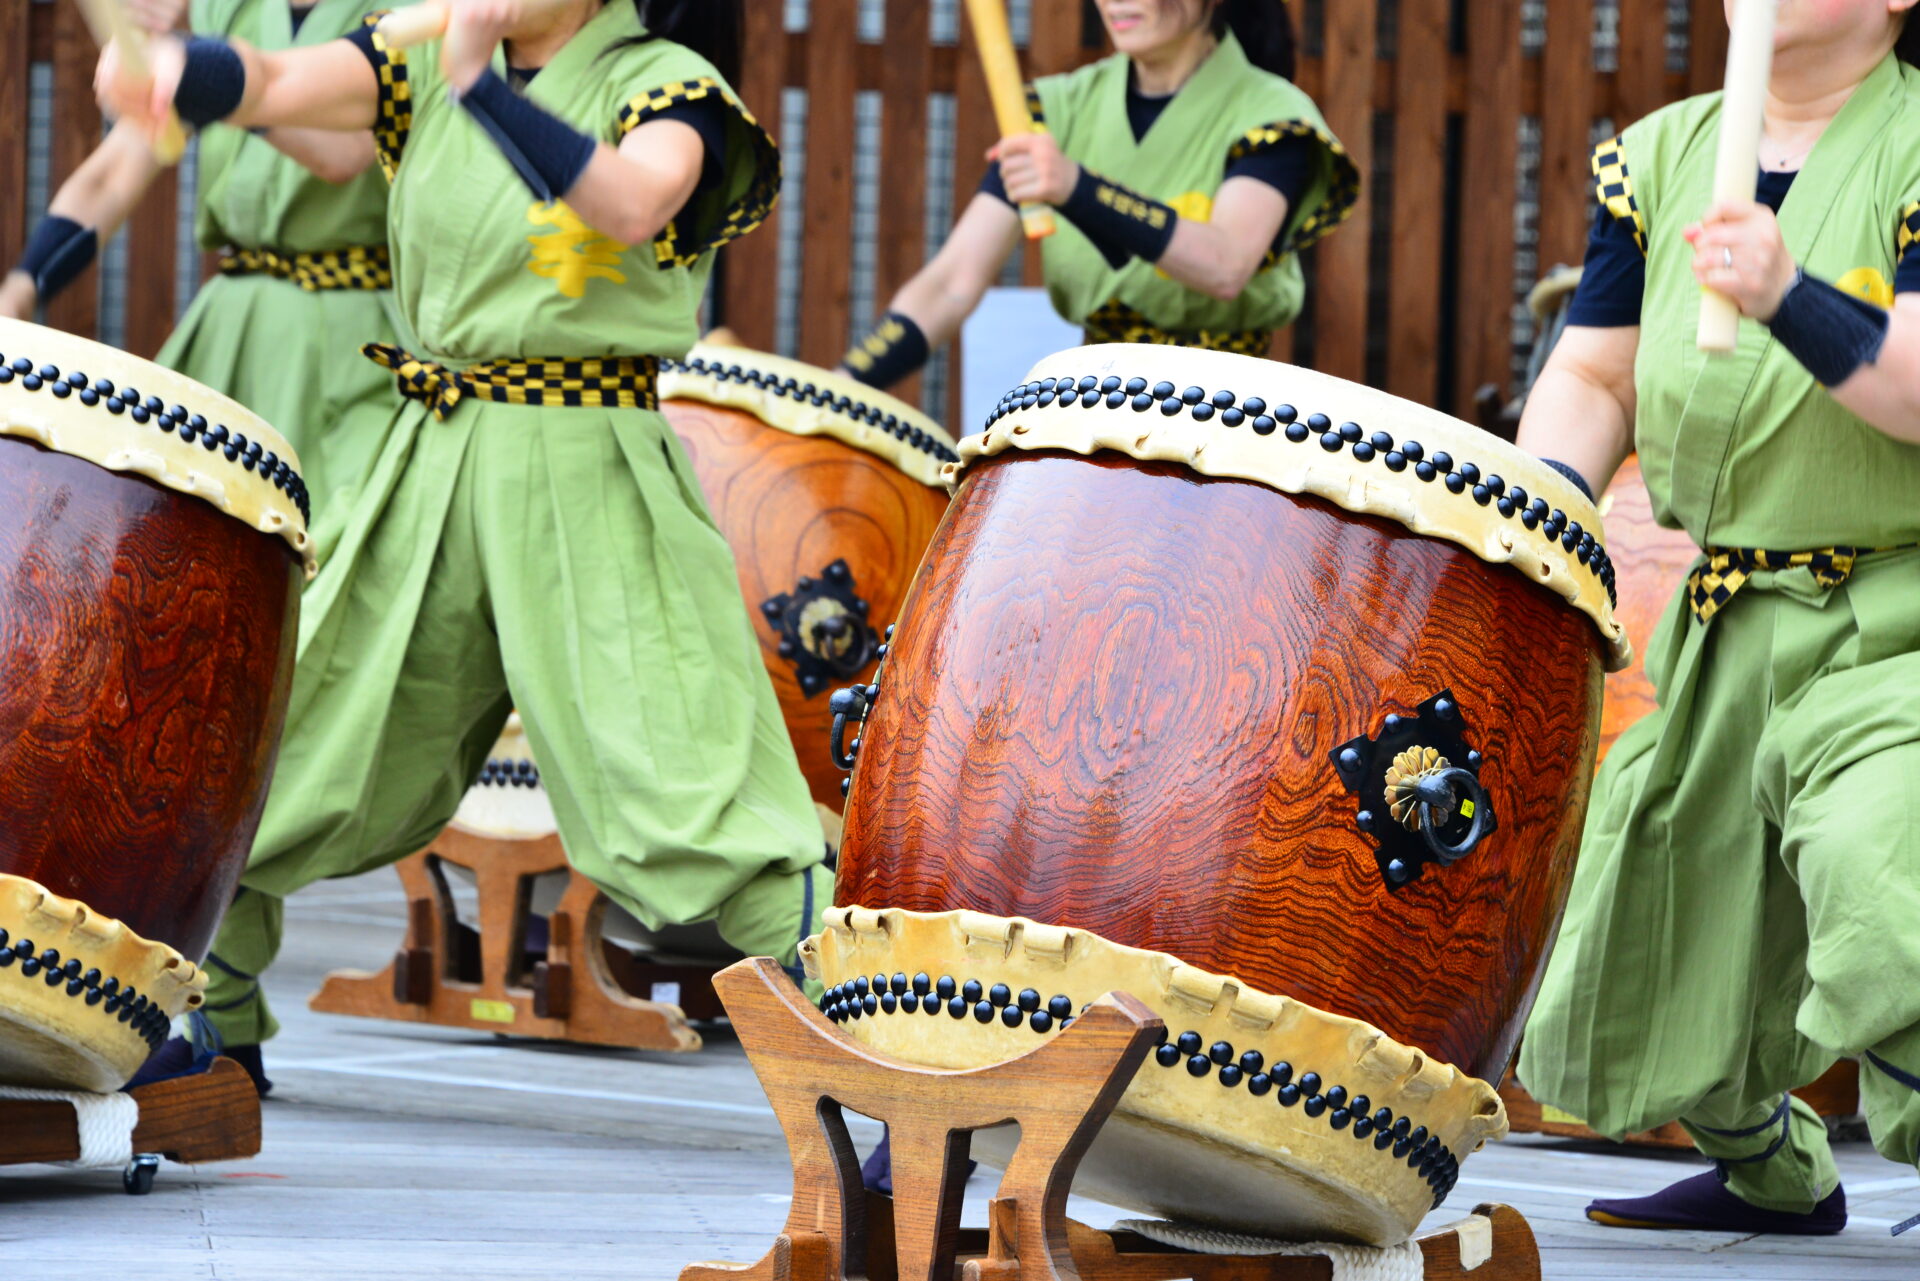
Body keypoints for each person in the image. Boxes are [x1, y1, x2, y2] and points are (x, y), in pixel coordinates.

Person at [97, 0, 829, 1094]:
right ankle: (212, 1035)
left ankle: (897, 1070)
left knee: (697, 803)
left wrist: (480, 86)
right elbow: (272, 82)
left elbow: (634, 202)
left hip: (589, 465)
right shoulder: (408, 68)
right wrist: (173, 71)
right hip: (432, 456)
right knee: (277, 745)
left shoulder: (669, 83)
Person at [1515, 0, 1920, 1237]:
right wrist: (1528, 513)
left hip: (1893, 619)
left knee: (1881, 881)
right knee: (1651, 933)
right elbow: (1595, 371)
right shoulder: (1659, 155)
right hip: (1728, 614)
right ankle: (1774, 1171)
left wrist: (1789, 289)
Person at [4, 0, 400, 569]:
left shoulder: (409, 16)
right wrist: (19, 289)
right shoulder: (231, 12)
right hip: (231, 339)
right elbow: (113, 175)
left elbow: (347, 153)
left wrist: (215, 79)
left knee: (347, 565)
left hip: (355, 344)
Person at [838, 0, 1357, 390]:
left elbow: (1226, 264)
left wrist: (1077, 188)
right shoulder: (1060, 109)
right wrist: (841, 388)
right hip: (1095, 409)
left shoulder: (1272, 113)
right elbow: (951, 284)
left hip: (1228, 414)